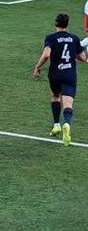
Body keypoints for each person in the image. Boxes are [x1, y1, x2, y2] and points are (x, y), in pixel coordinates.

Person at [33, 13, 86, 146]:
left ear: (56, 23)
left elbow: (46, 54)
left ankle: (56, 124)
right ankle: (66, 124)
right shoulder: (74, 38)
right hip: (69, 74)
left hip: (55, 74)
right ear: (67, 24)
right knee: (68, 104)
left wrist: (37, 66)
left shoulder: (51, 38)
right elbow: (82, 57)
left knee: (55, 96)